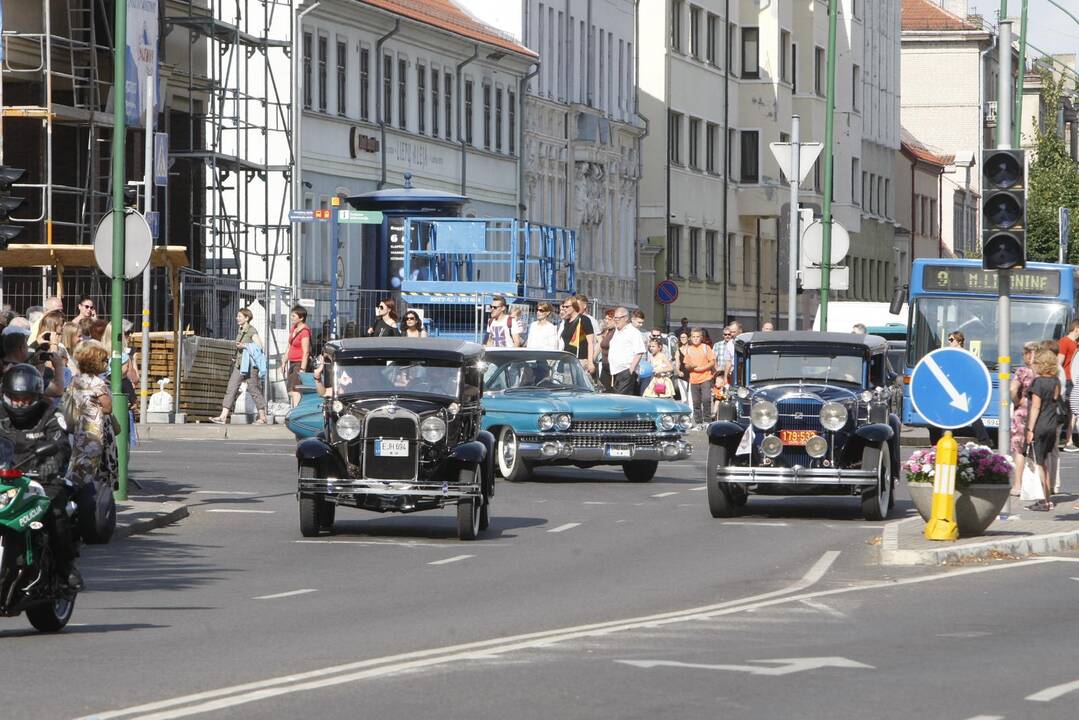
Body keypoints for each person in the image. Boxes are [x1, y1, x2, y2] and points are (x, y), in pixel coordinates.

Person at [0, 363, 79, 590]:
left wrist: (50, 465)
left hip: (40, 479)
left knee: (54, 509)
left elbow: (61, 445)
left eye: (25, 399)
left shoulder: (51, 415)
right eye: (15, 398)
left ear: (36, 396)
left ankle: (65, 568)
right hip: (5, 479)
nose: (20, 403)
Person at [928, 332, 992, 446]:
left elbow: (967, 374)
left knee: (971, 416)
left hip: (961, 392)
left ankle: (984, 442)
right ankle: (941, 442)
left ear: (959, 341)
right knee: (947, 417)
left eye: (951, 340)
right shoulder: (950, 355)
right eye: (949, 339)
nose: (949, 342)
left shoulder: (965, 356)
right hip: (952, 391)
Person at [210, 308, 268, 425]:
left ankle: (262, 417)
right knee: (231, 387)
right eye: (237, 316)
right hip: (240, 364)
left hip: (251, 366)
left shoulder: (252, 330)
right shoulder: (240, 330)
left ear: (247, 318)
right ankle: (223, 416)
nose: (237, 318)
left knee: (253, 389)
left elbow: (260, 346)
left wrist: (245, 345)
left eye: (240, 316)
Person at [1026, 348, 1064, 510]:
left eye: (1035, 361)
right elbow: (1056, 400)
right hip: (1052, 424)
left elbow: (1035, 407)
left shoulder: (1038, 382)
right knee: (1045, 462)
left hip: (1040, 424)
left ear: (1041, 364)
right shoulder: (1056, 381)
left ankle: (1044, 500)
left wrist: (1029, 429)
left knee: (1039, 464)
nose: (1033, 364)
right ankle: (1047, 499)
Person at [1010, 341, 1038, 497]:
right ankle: (1037, 487)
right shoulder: (1044, 372)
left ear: (1027, 355)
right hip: (1038, 412)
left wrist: (1017, 401)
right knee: (1036, 451)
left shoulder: (1022, 372)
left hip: (1021, 413)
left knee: (1019, 450)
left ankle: (1018, 485)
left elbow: (1012, 389)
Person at [607, 307, 645, 395]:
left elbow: (639, 352)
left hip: (626, 371)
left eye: (618, 318)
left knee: (622, 400)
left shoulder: (633, 332)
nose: (616, 320)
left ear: (626, 318)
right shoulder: (617, 331)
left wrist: (630, 371)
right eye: (615, 318)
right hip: (615, 371)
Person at [684, 329, 716, 427]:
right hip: (693, 379)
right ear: (690, 338)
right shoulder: (689, 349)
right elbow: (686, 365)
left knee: (706, 399)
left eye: (697, 337)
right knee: (696, 402)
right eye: (693, 337)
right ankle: (698, 422)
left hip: (705, 378)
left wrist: (702, 368)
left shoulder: (706, 347)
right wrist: (691, 367)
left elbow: (712, 362)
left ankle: (707, 420)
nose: (695, 339)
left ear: (701, 338)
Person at [558, 297, 595, 374]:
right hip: (566, 359)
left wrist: (590, 362)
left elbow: (591, 343)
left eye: (567, 306)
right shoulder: (566, 321)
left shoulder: (584, 320)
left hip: (580, 360)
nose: (564, 309)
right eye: (563, 306)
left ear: (574, 306)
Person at [1059, 321, 1079, 452]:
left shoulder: (1076, 344)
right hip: (1067, 380)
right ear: (1077, 329)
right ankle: (1067, 440)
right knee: (1066, 410)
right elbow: (1059, 362)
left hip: (1074, 380)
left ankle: (1069, 440)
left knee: (1073, 411)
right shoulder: (1064, 342)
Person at [286, 305, 312, 408]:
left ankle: (296, 413)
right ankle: (296, 410)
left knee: (295, 390)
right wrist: (284, 361)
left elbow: (306, 352)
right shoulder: (293, 329)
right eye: (291, 315)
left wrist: (302, 369)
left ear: (301, 318)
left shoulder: (304, 331)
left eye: (293, 316)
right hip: (292, 362)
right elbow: (289, 346)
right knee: (290, 390)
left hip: (299, 363)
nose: (291, 318)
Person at [595, 308, 617, 391]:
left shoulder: (616, 333)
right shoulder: (607, 332)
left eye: (609, 319)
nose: (606, 321)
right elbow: (600, 346)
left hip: (612, 368)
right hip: (605, 366)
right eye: (606, 318)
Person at [673, 330, 691, 402]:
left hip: (691, 374)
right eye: (681, 338)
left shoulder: (692, 348)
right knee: (684, 397)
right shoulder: (678, 350)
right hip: (682, 375)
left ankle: (692, 412)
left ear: (688, 338)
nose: (682, 339)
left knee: (691, 396)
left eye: (684, 337)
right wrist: (678, 371)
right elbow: (677, 364)